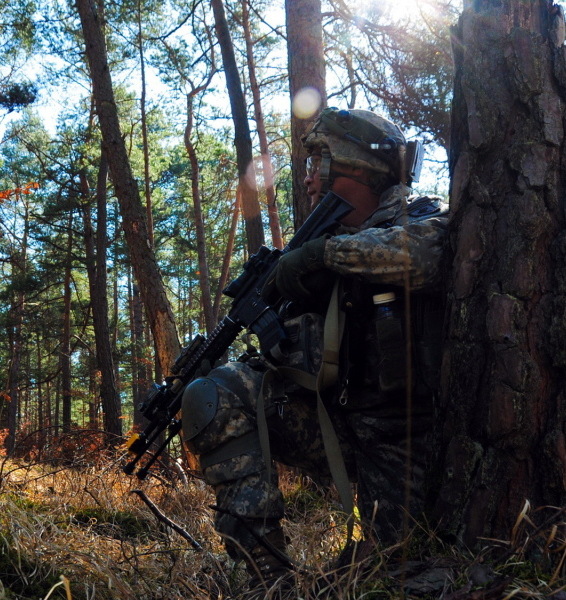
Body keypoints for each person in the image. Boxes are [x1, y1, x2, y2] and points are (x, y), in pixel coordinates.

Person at [180, 107, 448, 594]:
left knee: (391, 573)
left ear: (348, 166)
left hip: (407, 447)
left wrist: (322, 256)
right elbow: (296, 360)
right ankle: (265, 580)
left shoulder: (422, 217)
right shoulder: (322, 246)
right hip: (341, 430)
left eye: (315, 165)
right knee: (217, 393)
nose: (306, 181)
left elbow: (429, 254)